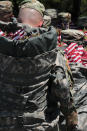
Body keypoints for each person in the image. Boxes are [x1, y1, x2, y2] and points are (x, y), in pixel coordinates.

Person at [0, 0, 77, 130]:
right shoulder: (53, 53)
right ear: (41, 23)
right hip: (38, 124)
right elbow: (61, 85)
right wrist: (70, 114)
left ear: (17, 20)